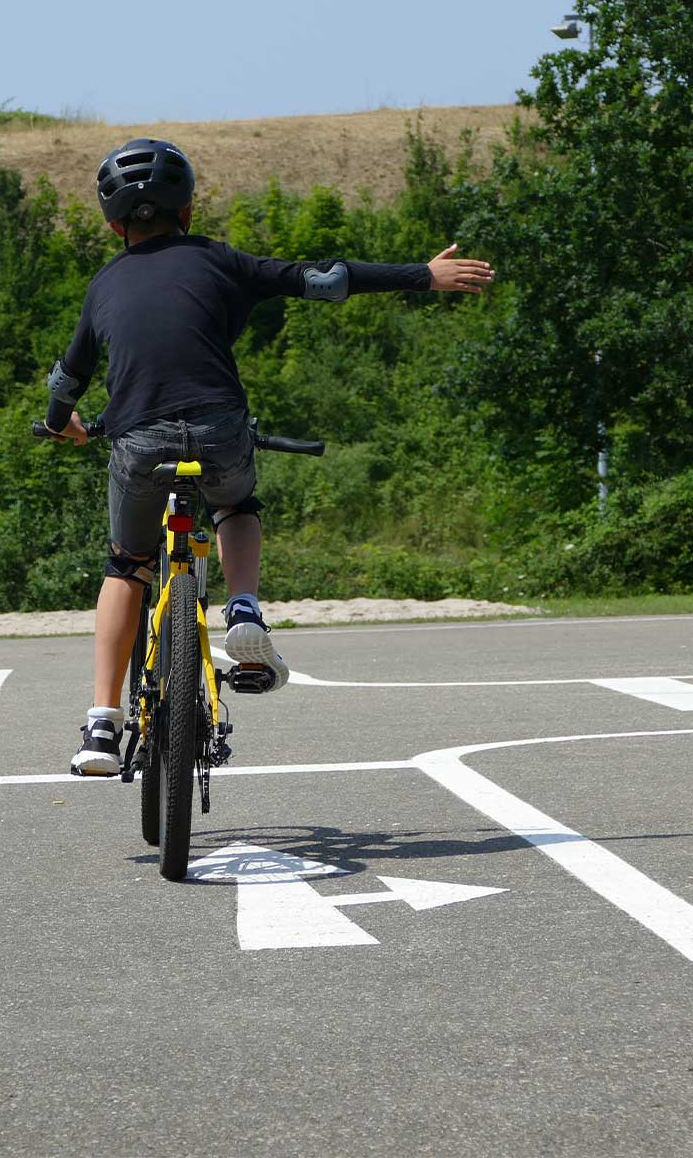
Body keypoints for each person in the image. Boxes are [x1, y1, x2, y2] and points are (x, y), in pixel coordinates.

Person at [43, 138, 493, 776]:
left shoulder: (104, 284)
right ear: (189, 211)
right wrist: (423, 275)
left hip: (137, 439)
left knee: (127, 566)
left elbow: (67, 379)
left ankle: (101, 726)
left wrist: (63, 424)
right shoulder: (222, 261)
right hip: (221, 430)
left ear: (114, 224)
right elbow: (328, 280)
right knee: (235, 503)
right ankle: (246, 608)